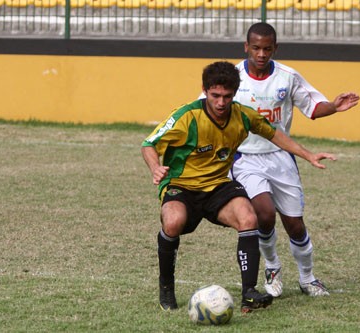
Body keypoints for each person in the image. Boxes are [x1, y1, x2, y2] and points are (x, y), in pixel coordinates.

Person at [141, 61, 338, 313]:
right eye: (215, 96)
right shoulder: (186, 116)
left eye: (226, 96)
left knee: (248, 217)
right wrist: (155, 167)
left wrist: (307, 154)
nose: (221, 103)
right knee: (173, 222)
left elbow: (273, 134)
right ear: (205, 90)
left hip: (218, 185)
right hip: (182, 185)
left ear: (235, 94)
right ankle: (166, 287)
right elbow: (148, 143)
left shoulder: (242, 115)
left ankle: (249, 293)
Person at [231, 22, 360, 298]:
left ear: (275, 48)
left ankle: (307, 278)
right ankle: (273, 267)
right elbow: (208, 105)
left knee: (295, 225)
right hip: (246, 159)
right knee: (263, 214)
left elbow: (312, 107)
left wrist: (334, 107)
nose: (261, 54)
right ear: (246, 47)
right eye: (256, 48)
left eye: (267, 48)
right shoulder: (232, 76)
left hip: (280, 157)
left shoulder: (288, 77)